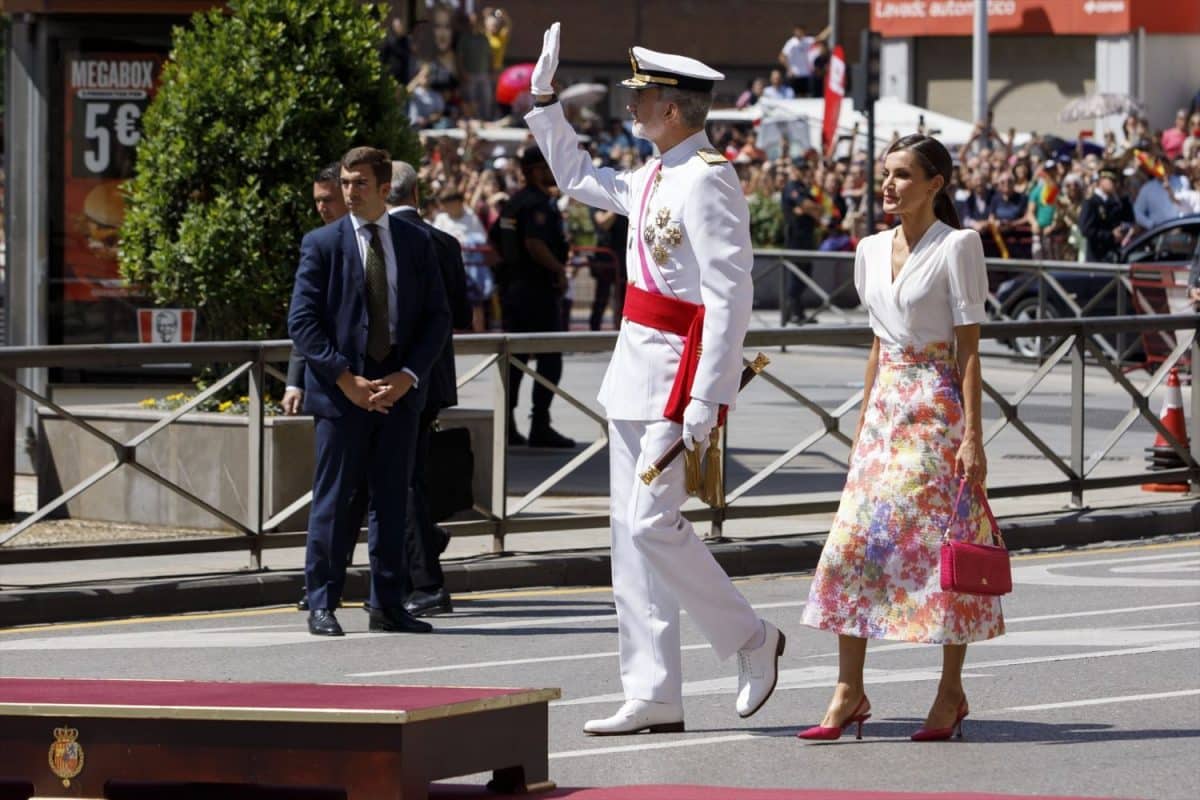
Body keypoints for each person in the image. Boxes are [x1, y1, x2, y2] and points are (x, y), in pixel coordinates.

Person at [525, 24, 785, 735]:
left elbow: (732, 294)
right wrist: (542, 102)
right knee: (629, 541)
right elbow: (577, 177)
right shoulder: (653, 174)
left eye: (642, 97)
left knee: (651, 526)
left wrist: (710, 392)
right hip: (635, 371)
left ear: (673, 108)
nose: (631, 106)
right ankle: (653, 691)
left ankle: (753, 640)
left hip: (678, 375)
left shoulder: (707, 179)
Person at [799, 133, 1003, 742]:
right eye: (886, 174)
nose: (887, 185)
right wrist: (863, 423)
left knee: (942, 552)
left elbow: (970, 350)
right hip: (886, 410)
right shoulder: (867, 248)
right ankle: (848, 691)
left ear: (936, 184)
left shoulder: (958, 246)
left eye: (903, 175)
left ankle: (949, 692)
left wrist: (974, 437)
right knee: (852, 544)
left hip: (937, 410)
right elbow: (877, 343)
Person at [288, 146, 450, 637]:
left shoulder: (415, 243)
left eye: (360, 183)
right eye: (345, 182)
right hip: (342, 394)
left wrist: (407, 377)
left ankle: (387, 603)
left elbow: (437, 318)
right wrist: (345, 379)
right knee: (334, 500)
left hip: (398, 391)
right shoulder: (322, 243)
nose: (349, 192)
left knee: (392, 500)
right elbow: (303, 322)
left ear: (384, 189)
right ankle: (322, 601)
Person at [388, 162, 473, 618]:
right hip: (436, 375)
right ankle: (422, 546)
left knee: (403, 479)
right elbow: (462, 314)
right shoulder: (445, 240)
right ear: (417, 192)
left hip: (401, 376)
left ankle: (425, 575)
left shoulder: (392, 241)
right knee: (409, 475)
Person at [494, 145, 577, 449]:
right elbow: (534, 242)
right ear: (533, 170)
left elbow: (497, 243)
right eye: (547, 166)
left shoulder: (513, 203)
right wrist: (558, 269)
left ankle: (508, 425)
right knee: (550, 357)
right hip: (536, 290)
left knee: (515, 359)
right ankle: (539, 423)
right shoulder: (538, 204)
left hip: (514, 290)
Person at [285, 162, 347, 417]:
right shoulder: (318, 245)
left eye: (328, 200)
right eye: (317, 201)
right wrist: (294, 383)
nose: (322, 208)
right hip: (332, 386)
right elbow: (306, 319)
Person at [780, 160, 821, 322]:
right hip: (796, 237)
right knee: (797, 276)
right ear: (794, 170)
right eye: (801, 169)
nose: (804, 172)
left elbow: (817, 209)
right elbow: (806, 205)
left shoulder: (804, 188)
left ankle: (797, 311)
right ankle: (792, 313)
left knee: (805, 274)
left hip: (806, 236)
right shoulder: (792, 186)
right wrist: (808, 208)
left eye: (806, 168)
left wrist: (810, 209)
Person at [1079, 166, 1134, 263]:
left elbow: (1129, 220)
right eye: (1112, 181)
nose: (1115, 184)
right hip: (1097, 256)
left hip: (1113, 254)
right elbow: (1086, 229)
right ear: (1101, 180)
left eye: (1116, 181)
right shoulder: (1091, 202)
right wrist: (1110, 235)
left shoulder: (1117, 202)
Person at [779, 24, 814, 98]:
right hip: (795, 74)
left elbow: (819, 39)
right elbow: (781, 57)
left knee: (806, 95)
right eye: (797, 32)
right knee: (794, 95)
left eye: (800, 32)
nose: (798, 33)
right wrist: (789, 69)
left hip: (806, 74)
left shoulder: (808, 41)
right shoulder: (791, 43)